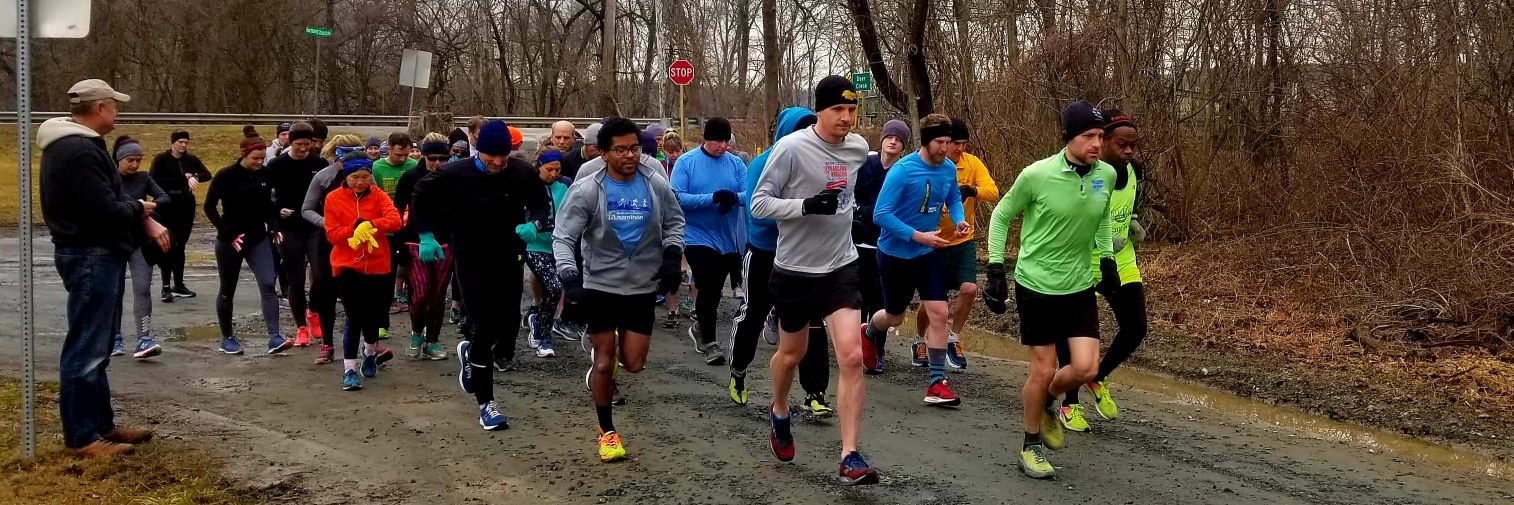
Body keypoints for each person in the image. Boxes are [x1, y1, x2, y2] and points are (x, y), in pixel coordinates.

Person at [750, 75, 877, 485]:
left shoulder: (858, 149)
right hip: (794, 270)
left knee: (852, 356)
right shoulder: (791, 148)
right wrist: (804, 205)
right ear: (819, 111)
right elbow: (759, 204)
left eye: (851, 110)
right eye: (837, 110)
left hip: (840, 266)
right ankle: (780, 410)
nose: (845, 118)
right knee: (792, 354)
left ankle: (850, 454)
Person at [983, 100, 1119, 479]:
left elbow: (1104, 214)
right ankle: (1031, 445)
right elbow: (1001, 215)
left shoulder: (1105, 175)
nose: (1097, 143)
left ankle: (1046, 404)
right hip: (1036, 283)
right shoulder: (1036, 175)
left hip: (1078, 284)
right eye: (1088, 136)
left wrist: (1106, 257)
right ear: (1068, 137)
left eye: (1100, 136)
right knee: (1042, 369)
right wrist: (996, 268)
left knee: (1085, 367)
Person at [39, 79, 164, 457]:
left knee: (100, 344)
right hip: (90, 253)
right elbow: (103, 210)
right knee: (86, 347)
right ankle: (81, 438)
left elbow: (102, 201)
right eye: (114, 105)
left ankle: (101, 424)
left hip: (94, 252)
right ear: (100, 108)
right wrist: (139, 209)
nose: (117, 112)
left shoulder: (79, 146)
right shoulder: (79, 150)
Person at [553, 117, 685, 462]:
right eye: (621, 150)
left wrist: (672, 256)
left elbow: (675, 222)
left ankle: (610, 355)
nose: (630, 155)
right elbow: (563, 237)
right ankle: (607, 431)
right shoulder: (587, 188)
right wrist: (570, 279)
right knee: (604, 359)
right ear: (604, 152)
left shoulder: (654, 182)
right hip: (601, 284)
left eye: (635, 148)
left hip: (642, 285)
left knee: (634, 363)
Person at [411, 120, 552, 431]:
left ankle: (470, 353)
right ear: (479, 151)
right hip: (470, 256)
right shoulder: (454, 172)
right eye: (491, 157)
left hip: (509, 255)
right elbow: (420, 193)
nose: (497, 163)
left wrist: (536, 225)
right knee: (484, 326)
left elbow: (542, 204)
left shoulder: (521, 172)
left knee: (507, 324)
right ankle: (487, 404)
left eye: (503, 157)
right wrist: (426, 235)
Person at [727, 106, 834, 416]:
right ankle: (738, 371)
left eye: (809, 128)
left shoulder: (818, 162)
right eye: (800, 129)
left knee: (812, 320)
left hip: (804, 255)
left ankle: (815, 392)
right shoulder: (763, 163)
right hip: (765, 251)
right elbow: (756, 213)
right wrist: (804, 212)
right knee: (754, 312)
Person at [861, 113, 969, 407]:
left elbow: (953, 198)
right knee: (894, 316)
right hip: (895, 254)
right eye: (940, 142)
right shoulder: (903, 170)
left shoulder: (947, 169)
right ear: (926, 141)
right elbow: (880, 215)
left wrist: (958, 220)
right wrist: (918, 236)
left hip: (926, 253)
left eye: (948, 142)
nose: (945, 148)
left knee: (938, 310)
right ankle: (869, 332)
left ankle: (936, 383)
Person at [1055, 109, 1147, 431]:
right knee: (1077, 336)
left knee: (1136, 327)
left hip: (1121, 260)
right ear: (1102, 140)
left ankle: (1098, 378)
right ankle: (1070, 404)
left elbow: (1126, 203)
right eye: (1122, 144)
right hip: (1083, 262)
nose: (1129, 151)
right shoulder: (1089, 174)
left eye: (1132, 145)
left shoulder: (1134, 170)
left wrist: (1133, 220)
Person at [909, 117, 999, 370]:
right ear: (943, 143)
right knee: (934, 301)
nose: (959, 148)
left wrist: (972, 191)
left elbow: (993, 191)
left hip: (962, 241)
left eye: (963, 143)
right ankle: (919, 339)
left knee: (969, 289)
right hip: (933, 241)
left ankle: (953, 337)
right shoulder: (930, 166)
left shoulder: (972, 164)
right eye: (954, 143)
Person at [324, 154, 404, 390]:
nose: (360, 182)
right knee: (354, 316)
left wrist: (371, 224)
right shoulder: (333, 198)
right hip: (347, 264)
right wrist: (353, 230)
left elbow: (395, 221)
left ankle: (370, 352)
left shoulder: (378, 196)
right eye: (354, 177)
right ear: (345, 176)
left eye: (365, 177)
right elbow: (332, 234)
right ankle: (349, 370)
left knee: (374, 315)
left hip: (378, 265)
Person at [671, 117, 746, 366]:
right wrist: (712, 198)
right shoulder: (687, 162)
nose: (723, 146)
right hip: (696, 234)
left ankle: (701, 327)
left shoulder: (735, 164)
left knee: (716, 287)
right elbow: (678, 197)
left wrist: (732, 198)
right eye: (718, 141)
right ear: (706, 139)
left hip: (728, 237)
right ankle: (710, 342)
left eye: (726, 140)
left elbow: (752, 193)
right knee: (710, 283)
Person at [205, 136, 290, 356]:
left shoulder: (266, 174)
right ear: (243, 155)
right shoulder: (226, 175)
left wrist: (274, 227)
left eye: (262, 158)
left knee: (268, 283)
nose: (259, 162)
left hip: (257, 238)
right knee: (227, 289)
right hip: (230, 240)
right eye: (255, 158)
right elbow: (209, 207)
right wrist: (227, 233)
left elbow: (269, 207)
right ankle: (227, 338)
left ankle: (274, 336)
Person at [304, 135, 369, 364]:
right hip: (329, 241)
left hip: (360, 241)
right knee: (326, 292)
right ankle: (327, 344)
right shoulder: (324, 176)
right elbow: (307, 209)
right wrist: (327, 223)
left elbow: (378, 204)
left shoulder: (367, 177)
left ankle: (369, 344)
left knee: (360, 295)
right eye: (346, 153)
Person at [853, 119, 908, 374]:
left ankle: (877, 350)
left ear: (903, 146)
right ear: (883, 139)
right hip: (858, 241)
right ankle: (855, 348)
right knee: (857, 298)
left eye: (899, 139)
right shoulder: (865, 164)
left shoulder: (903, 172)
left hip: (886, 244)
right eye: (890, 137)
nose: (893, 141)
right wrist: (859, 213)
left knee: (880, 299)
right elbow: (849, 193)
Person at [266, 122, 327, 348]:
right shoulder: (276, 165)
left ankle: (314, 311)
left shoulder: (319, 164)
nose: (303, 149)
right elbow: (265, 197)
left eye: (307, 144)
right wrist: (277, 210)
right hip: (288, 227)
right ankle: (301, 325)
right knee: (296, 278)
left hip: (313, 225)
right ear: (290, 142)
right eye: (299, 144)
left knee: (320, 273)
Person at [395, 134, 455, 360]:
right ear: (423, 156)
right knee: (420, 294)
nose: (437, 163)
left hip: (446, 240)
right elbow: (397, 211)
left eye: (443, 158)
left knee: (438, 295)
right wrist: (398, 244)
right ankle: (416, 332)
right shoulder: (410, 177)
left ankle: (432, 341)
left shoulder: (452, 178)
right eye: (432, 158)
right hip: (414, 240)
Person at [110, 135, 169, 360]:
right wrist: (137, 207)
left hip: (139, 243)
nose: (135, 165)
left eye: (138, 160)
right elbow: (115, 202)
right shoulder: (110, 179)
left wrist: (149, 207)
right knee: (115, 291)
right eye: (130, 160)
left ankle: (144, 337)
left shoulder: (144, 178)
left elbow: (164, 197)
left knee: (142, 288)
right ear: (119, 160)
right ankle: (114, 336)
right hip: (115, 243)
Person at [518, 147, 570, 358]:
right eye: (549, 169)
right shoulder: (529, 186)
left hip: (559, 245)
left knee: (557, 288)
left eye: (557, 169)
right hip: (535, 246)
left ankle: (538, 319)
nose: (553, 174)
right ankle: (543, 334)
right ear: (539, 166)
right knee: (554, 287)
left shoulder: (565, 186)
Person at [149, 130, 212, 304]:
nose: (183, 145)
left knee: (181, 245)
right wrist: (181, 179)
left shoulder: (190, 160)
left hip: (185, 206)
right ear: (173, 143)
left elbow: (207, 174)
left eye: (185, 142)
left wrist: (195, 176)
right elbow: (153, 179)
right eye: (180, 142)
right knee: (168, 244)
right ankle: (166, 285)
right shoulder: (161, 160)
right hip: (167, 205)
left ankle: (179, 283)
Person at [372, 132, 418, 316]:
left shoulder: (413, 166)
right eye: (398, 154)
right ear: (389, 148)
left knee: (410, 266)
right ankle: (386, 302)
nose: (403, 158)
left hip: (409, 226)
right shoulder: (377, 167)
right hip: (387, 227)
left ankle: (408, 296)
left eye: (406, 154)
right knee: (387, 269)